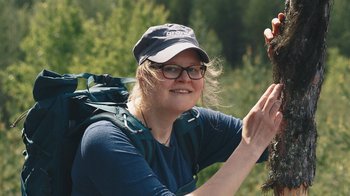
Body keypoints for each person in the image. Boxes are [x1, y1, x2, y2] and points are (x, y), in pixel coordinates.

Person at [71, 17, 284, 196]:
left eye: (193, 69)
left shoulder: (193, 124)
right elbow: (254, 143)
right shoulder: (104, 139)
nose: (185, 78)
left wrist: (290, 59)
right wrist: (249, 148)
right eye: (171, 69)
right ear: (144, 77)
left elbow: (279, 137)